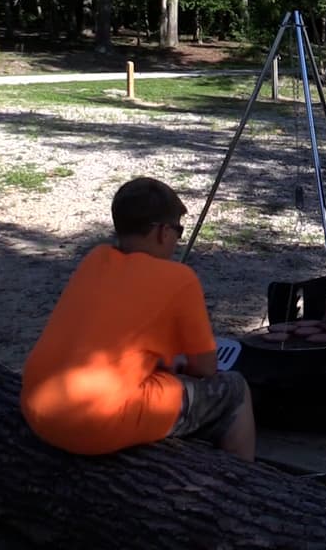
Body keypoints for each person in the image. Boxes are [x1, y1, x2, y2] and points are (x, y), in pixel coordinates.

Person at [20, 177, 256, 460]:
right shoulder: (179, 279)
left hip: (36, 407)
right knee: (234, 390)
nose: (176, 240)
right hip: (93, 422)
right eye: (177, 230)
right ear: (161, 232)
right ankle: (238, 490)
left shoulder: (95, 259)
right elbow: (205, 369)